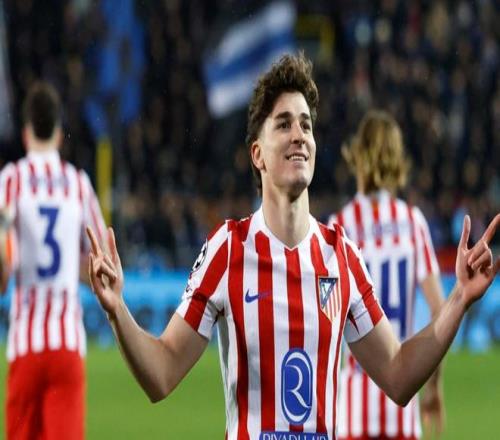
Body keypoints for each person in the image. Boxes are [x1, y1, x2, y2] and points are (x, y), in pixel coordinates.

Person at [87, 53, 499, 440]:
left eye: (306, 125)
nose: (299, 135)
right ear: (258, 155)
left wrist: (459, 299)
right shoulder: (228, 250)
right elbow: (161, 373)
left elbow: (398, 373)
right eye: (283, 124)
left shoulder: (342, 256)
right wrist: (117, 309)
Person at [328, 110, 445, 440]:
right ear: (397, 160)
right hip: (402, 412)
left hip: (353, 412)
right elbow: (439, 311)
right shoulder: (413, 222)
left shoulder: (341, 226)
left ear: (358, 156)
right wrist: (433, 386)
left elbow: (325, 317)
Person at [0, 81, 107, 439]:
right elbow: (102, 265)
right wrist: (72, 269)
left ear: (26, 133)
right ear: (59, 135)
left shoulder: (11, 181)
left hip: (25, 342)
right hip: (67, 343)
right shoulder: (78, 183)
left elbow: (3, 269)